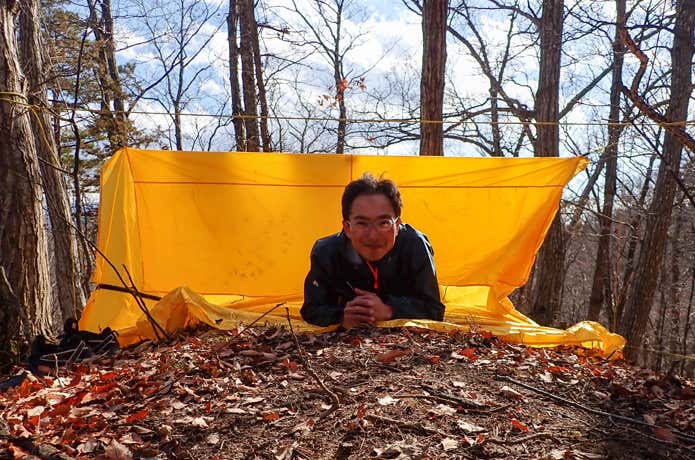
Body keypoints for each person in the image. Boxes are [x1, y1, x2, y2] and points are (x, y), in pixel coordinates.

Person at [301, 172, 445, 328]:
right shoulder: (326, 252)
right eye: (362, 223)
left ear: (397, 226)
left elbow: (434, 309)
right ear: (347, 228)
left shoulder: (415, 245)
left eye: (383, 223)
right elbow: (311, 309)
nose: (373, 236)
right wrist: (341, 316)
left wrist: (390, 310)